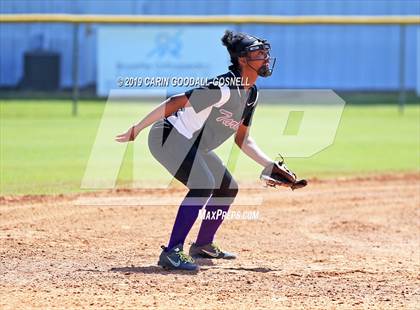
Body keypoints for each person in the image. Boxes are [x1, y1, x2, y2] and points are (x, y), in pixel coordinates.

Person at [116, 30, 277, 271]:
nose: (265, 57)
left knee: (227, 187)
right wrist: (137, 129)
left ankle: (203, 244)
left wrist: (269, 165)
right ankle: (172, 252)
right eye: (258, 52)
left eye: (265, 52)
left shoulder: (251, 94)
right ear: (242, 60)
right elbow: (175, 102)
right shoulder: (223, 87)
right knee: (203, 183)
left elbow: (243, 140)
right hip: (168, 136)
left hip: (193, 145)